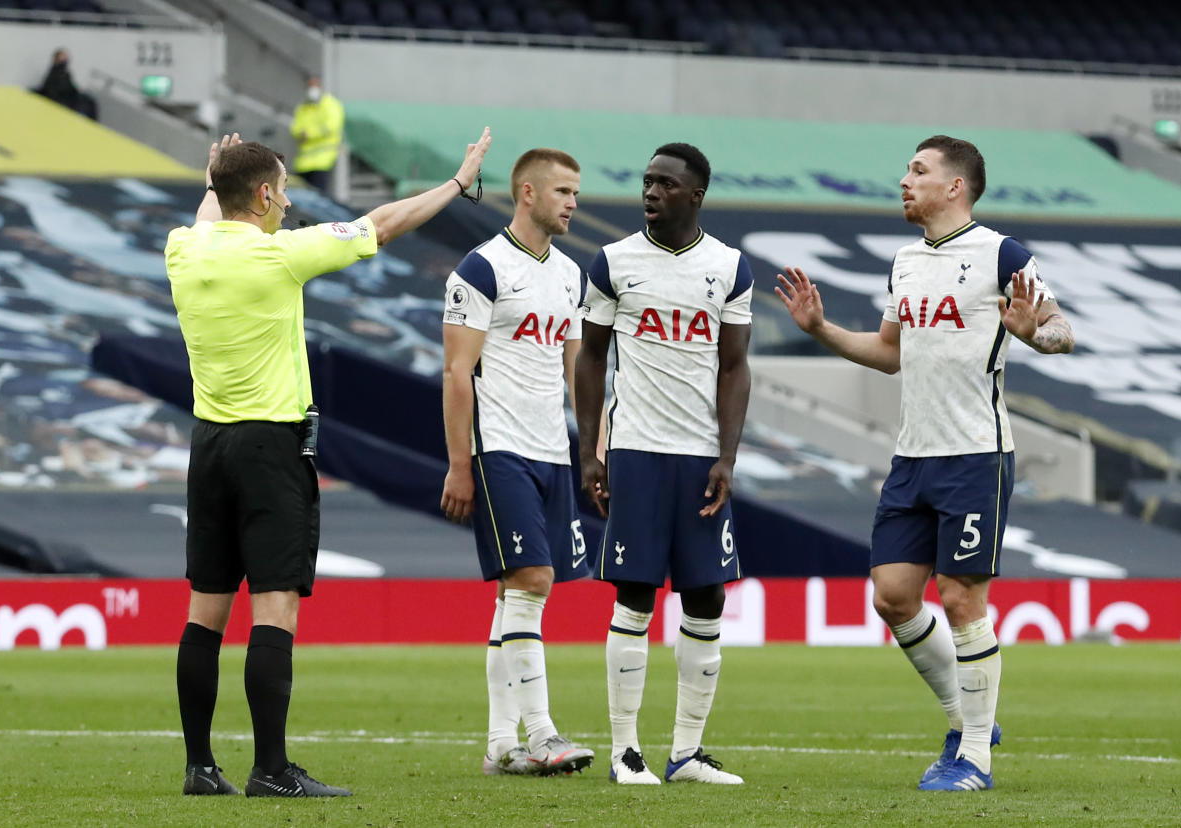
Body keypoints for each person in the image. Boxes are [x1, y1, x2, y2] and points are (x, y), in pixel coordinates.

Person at [167, 127, 491, 797]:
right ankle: (271, 770)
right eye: (282, 190)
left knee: (205, 612)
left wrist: (214, 172)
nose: (287, 202)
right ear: (261, 195)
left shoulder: (183, 248)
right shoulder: (280, 257)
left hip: (208, 446)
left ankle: (201, 767)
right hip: (269, 448)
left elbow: (209, 212)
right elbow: (382, 223)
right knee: (275, 606)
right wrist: (457, 185)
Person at [775, 135, 1074, 792]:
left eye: (918, 170)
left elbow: (1061, 329)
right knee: (893, 596)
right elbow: (890, 352)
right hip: (912, 456)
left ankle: (972, 757)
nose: (904, 180)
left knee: (963, 597)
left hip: (974, 453)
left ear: (955, 187)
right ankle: (969, 717)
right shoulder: (905, 261)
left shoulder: (1001, 254)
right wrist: (820, 329)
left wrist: (1032, 334)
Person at [575, 143, 753, 786]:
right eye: (647, 181)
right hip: (637, 451)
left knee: (705, 597)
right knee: (635, 593)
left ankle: (685, 753)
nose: (650, 192)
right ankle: (627, 752)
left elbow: (734, 367)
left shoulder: (729, 268)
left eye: (665, 184)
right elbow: (590, 357)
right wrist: (591, 450)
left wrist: (728, 455)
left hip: (701, 453)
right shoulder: (613, 262)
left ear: (695, 195)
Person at [440, 148, 595, 778]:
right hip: (498, 445)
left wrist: (595, 450)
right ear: (526, 193)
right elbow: (457, 372)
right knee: (531, 583)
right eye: (562, 191)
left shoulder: (570, 275)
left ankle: (501, 743)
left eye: (576, 193)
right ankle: (541, 733)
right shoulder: (481, 269)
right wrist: (459, 463)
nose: (573, 203)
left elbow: (580, 372)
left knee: (520, 594)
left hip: (551, 451)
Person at [289, 76, 345, 195]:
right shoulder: (303, 107)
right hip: (303, 162)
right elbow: (295, 128)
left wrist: (308, 134)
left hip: (323, 160)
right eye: (310, 86)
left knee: (318, 196)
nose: (312, 89)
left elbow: (331, 126)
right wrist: (301, 133)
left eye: (315, 86)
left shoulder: (330, 104)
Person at [35, 48, 98, 121]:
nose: (65, 59)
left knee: (90, 102)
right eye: (62, 57)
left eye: (65, 57)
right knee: (89, 103)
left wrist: (76, 93)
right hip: (63, 101)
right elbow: (51, 88)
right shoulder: (55, 71)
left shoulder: (65, 73)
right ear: (57, 58)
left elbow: (71, 88)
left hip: (70, 99)